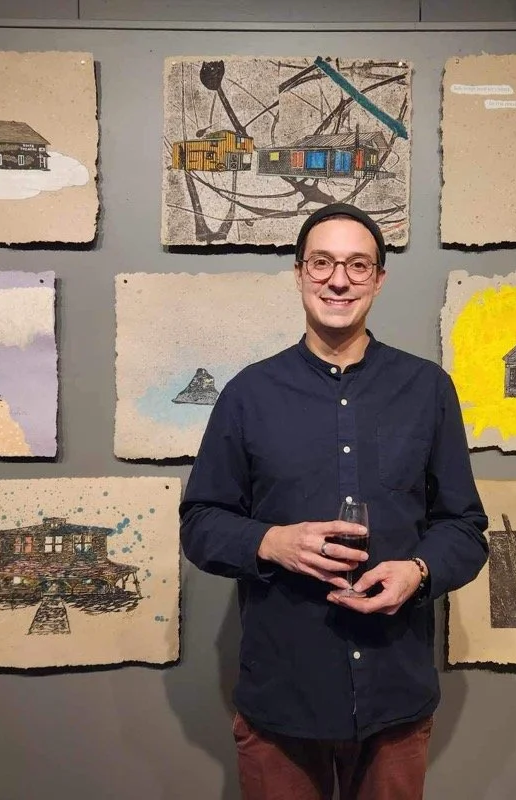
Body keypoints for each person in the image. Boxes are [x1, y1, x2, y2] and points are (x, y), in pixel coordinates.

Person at [179, 202, 489, 800]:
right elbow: (200, 523)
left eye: (357, 265)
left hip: (395, 695)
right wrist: (272, 542)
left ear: (379, 278)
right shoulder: (248, 393)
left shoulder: (427, 389)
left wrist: (419, 571)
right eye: (322, 263)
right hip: (283, 698)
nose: (338, 280)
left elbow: (464, 526)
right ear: (299, 273)